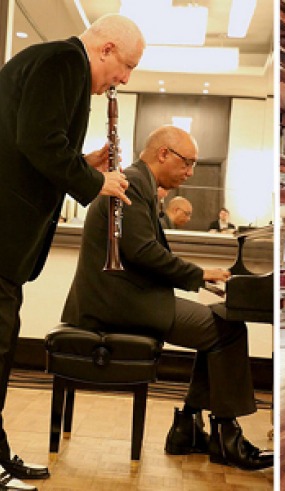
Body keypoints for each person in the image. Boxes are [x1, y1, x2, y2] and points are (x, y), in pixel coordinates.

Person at [61, 125, 273, 471]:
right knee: (227, 330)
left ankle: (189, 427)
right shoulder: (130, 184)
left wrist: (199, 278)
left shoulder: (141, 184)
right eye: (187, 163)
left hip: (126, 297)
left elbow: (143, 251)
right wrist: (199, 274)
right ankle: (224, 435)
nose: (190, 173)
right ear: (163, 154)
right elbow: (142, 251)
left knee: (222, 324)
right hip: (117, 304)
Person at [0, 13, 143, 487]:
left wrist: (82, 163)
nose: (124, 79)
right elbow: (38, 141)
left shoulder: (57, 64)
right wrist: (95, 180)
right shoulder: (65, 60)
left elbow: (29, 150)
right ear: (105, 49)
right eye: (126, 66)